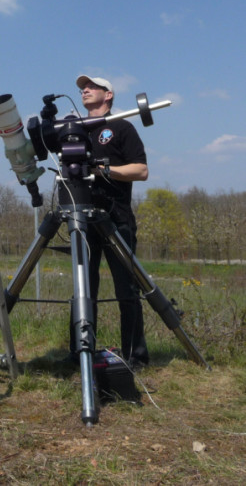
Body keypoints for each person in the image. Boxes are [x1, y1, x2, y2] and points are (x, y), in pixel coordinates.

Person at [70, 74, 150, 370]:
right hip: (82, 217)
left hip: (116, 218)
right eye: (81, 88)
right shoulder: (76, 131)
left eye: (92, 87)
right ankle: (80, 352)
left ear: (109, 95)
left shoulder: (122, 127)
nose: (85, 90)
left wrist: (105, 170)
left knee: (126, 289)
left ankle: (135, 355)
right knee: (83, 289)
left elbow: (141, 170)